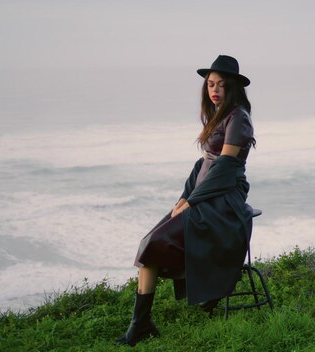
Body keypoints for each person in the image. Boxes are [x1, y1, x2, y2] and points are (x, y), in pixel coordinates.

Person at [116, 55, 255, 346]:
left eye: (221, 85)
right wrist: (184, 196)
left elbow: (224, 168)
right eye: (210, 84)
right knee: (150, 243)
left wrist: (191, 201)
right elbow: (202, 164)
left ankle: (143, 323)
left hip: (221, 199)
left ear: (233, 87)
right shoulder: (218, 115)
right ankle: (141, 322)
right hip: (201, 194)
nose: (214, 89)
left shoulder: (239, 117)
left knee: (156, 243)